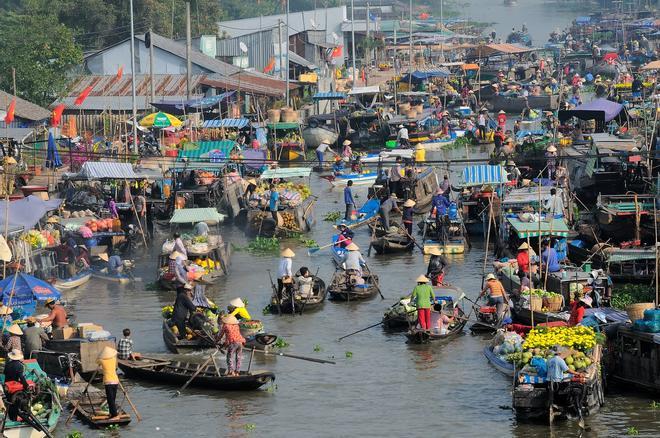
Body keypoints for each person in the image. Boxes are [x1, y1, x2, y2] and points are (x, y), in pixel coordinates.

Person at [97, 347, 121, 421]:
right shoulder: (114, 360)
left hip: (108, 382)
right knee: (112, 399)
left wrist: (101, 356)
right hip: (116, 381)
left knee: (110, 400)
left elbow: (96, 361)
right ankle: (112, 413)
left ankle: (115, 415)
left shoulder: (102, 360)